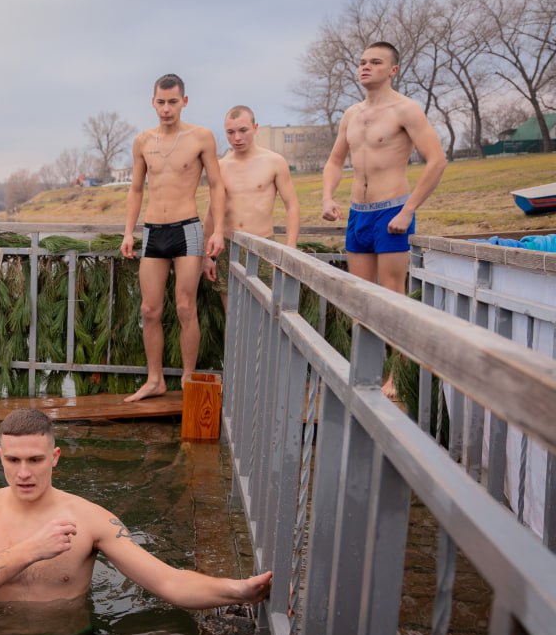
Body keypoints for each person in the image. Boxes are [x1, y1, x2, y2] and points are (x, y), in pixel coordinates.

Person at [0, 409, 271, 613]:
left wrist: (238, 591)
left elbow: (167, 582)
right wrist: (31, 550)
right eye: (13, 460)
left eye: (35, 460)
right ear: (0, 455)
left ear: (54, 457)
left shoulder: (91, 520)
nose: (24, 473)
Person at [120, 74, 228, 402]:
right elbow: (136, 189)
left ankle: (188, 378)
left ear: (184, 101)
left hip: (188, 230)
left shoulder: (201, 137)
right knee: (150, 310)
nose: (166, 109)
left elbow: (216, 186)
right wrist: (128, 232)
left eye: (173, 102)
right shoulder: (142, 141)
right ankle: (155, 380)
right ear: (153, 102)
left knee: (185, 307)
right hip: (153, 231)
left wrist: (218, 230)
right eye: (161, 102)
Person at [321, 42, 446, 296]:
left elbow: (437, 161)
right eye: (363, 62)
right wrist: (327, 197)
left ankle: (395, 338)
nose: (366, 67)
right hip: (358, 214)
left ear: (393, 70)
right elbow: (335, 161)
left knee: (391, 294)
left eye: (376, 62)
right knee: (359, 294)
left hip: (392, 212)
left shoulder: (405, 110)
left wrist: (408, 210)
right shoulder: (351, 114)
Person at [203, 105, 301, 309]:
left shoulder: (274, 162)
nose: (237, 137)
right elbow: (212, 212)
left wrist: (290, 251)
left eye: (243, 130)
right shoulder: (220, 166)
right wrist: (207, 256)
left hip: (262, 245)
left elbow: (292, 205)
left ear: (255, 128)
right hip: (228, 247)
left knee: (265, 313)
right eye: (230, 132)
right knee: (233, 316)